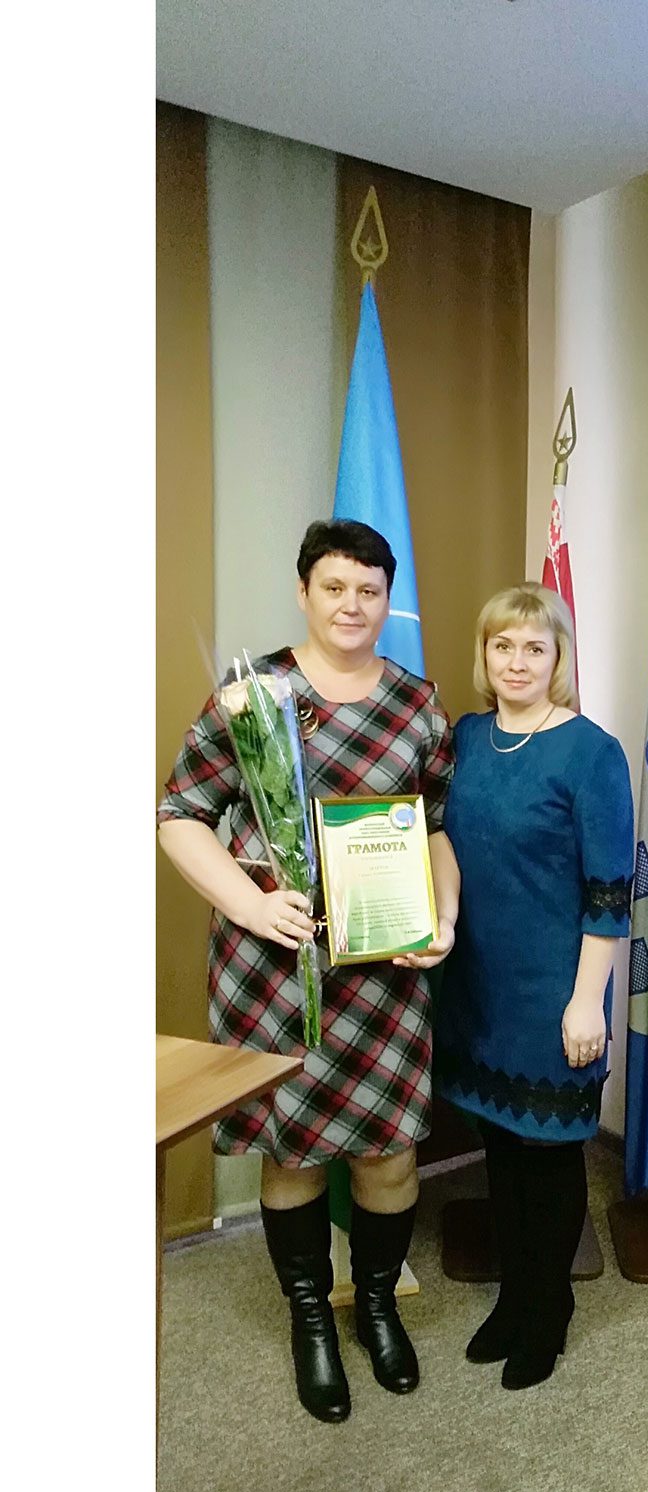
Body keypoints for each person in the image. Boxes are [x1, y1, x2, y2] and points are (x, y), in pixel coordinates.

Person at [157, 519, 460, 1424]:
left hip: (384, 966)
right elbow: (178, 813)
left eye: (369, 591)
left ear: (387, 599)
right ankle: (311, 1317)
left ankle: (375, 1305)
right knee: (292, 1153)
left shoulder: (416, 703)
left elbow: (436, 827)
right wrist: (250, 905)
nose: (351, 605)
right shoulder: (252, 696)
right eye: (334, 588)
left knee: (389, 1152)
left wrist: (442, 916)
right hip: (274, 965)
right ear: (304, 593)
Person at [435, 581, 634, 1390]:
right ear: (484, 654)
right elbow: (438, 841)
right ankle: (516, 1297)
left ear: (559, 659)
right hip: (479, 988)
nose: (517, 661)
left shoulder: (591, 752)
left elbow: (609, 892)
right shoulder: (466, 738)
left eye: (534, 648)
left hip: (557, 992)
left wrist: (587, 1001)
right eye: (502, 646)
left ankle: (548, 1313)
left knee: (549, 1156)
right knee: (502, 1150)